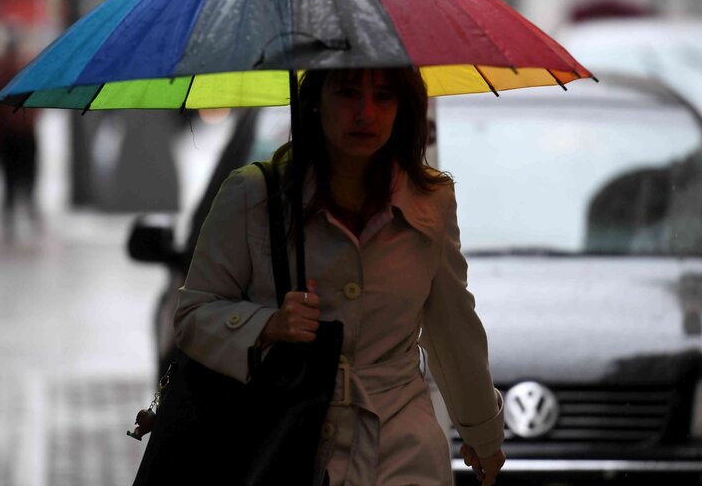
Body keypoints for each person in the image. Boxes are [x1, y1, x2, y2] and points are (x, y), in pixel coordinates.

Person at [173, 67, 507, 485]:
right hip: (282, 442)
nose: (365, 112)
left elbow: (453, 328)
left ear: (404, 108)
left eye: (384, 96)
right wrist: (267, 325)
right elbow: (193, 315)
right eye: (348, 93)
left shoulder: (430, 201)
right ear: (316, 100)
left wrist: (483, 432)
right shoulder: (253, 196)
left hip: (402, 447)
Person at [0, 32, 39, 241]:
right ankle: (23, 213)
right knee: (23, 177)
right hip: (19, 133)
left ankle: (15, 216)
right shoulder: (23, 72)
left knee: (12, 179)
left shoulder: (0, 72)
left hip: (11, 134)